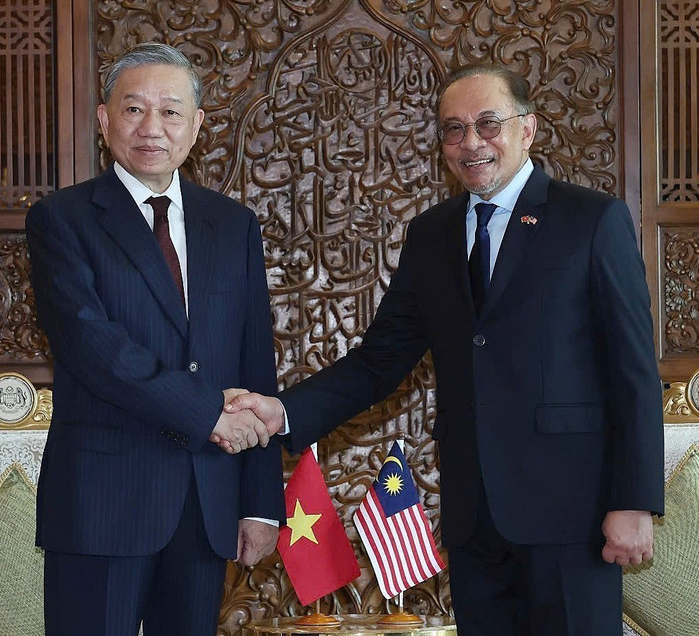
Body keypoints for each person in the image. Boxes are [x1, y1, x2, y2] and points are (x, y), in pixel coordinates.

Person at [224, 62, 664, 635]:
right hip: (475, 517)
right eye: (454, 129)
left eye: (488, 123)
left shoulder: (591, 220)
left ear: (527, 129)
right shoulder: (431, 233)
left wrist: (632, 501)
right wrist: (282, 411)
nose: (470, 142)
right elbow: (380, 360)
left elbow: (633, 371)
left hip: (571, 515)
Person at [26, 42, 283, 636]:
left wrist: (259, 501)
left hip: (205, 501)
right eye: (133, 109)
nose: (152, 128)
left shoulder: (233, 224)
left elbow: (254, 363)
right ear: (103, 119)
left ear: (196, 126)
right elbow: (91, 345)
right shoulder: (63, 219)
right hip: (102, 502)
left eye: (170, 112)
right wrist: (207, 414)